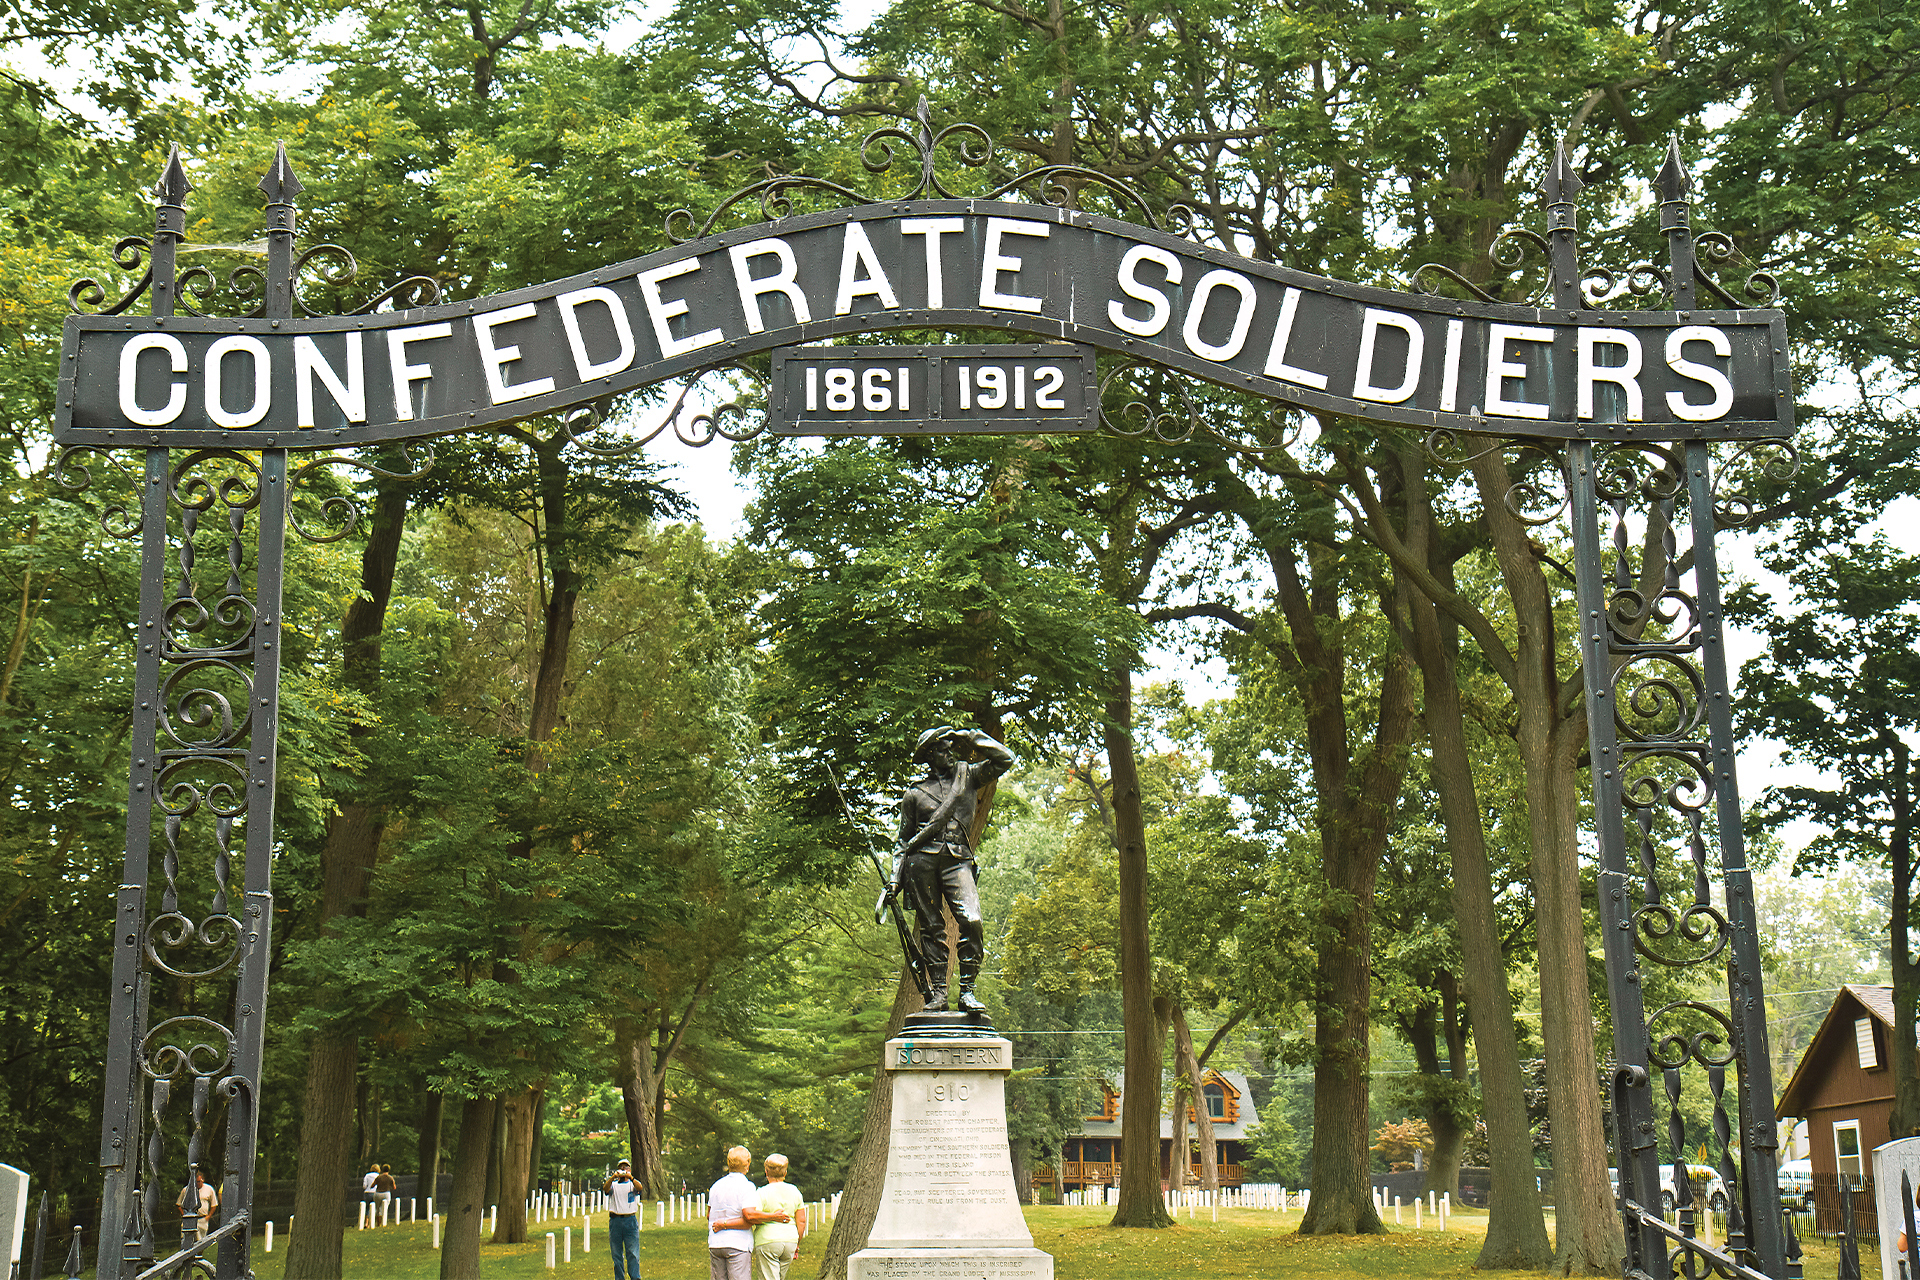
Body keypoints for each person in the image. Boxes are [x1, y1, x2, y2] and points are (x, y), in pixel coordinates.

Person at [887, 726, 1013, 1012]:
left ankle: (967, 991)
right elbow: (903, 841)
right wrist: (895, 879)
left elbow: (1006, 759)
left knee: (972, 921)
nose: (951, 753)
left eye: (951, 748)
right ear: (931, 755)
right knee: (932, 929)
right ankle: (939, 993)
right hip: (921, 864)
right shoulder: (915, 794)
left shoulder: (968, 776)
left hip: (958, 860)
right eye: (944, 750)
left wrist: (971, 736)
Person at [742, 1153, 806, 1280]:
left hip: (768, 1241)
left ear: (766, 1172)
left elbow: (752, 1215)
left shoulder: (762, 1192)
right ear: (785, 1172)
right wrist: (797, 1244)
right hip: (790, 1241)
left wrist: (771, 1217)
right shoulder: (795, 1191)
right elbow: (802, 1221)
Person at [706, 1146, 758, 1280]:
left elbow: (709, 1215)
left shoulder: (716, 1186)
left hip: (716, 1242)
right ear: (747, 1164)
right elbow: (749, 1218)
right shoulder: (747, 1186)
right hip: (738, 1243)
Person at [603, 1158, 643, 1280]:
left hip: (630, 1220)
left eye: (626, 1167)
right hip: (615, 1221)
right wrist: (612, 1177)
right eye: (621, 1168)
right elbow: (605, 1189)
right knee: (616, 1254)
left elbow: (640, 1188)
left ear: (629, 1169)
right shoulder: (614, 1185)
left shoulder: (632, 1184)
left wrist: (631, 1177)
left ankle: (635, 1277)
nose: (623, 1170)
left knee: (633, 1253)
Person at [176, 1168, 217, 1243]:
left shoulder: (209, 1189)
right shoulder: (186, 1190)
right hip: (189, 1219)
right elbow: (178, 1204)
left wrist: (208, 1216)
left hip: (202, 1219)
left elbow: (214, 1205)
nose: (197, 1183)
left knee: (201, 1242)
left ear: (203, 1180)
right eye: (196, 1182)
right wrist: (184, 1215)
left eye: (199, 1181)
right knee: (186, 1241)